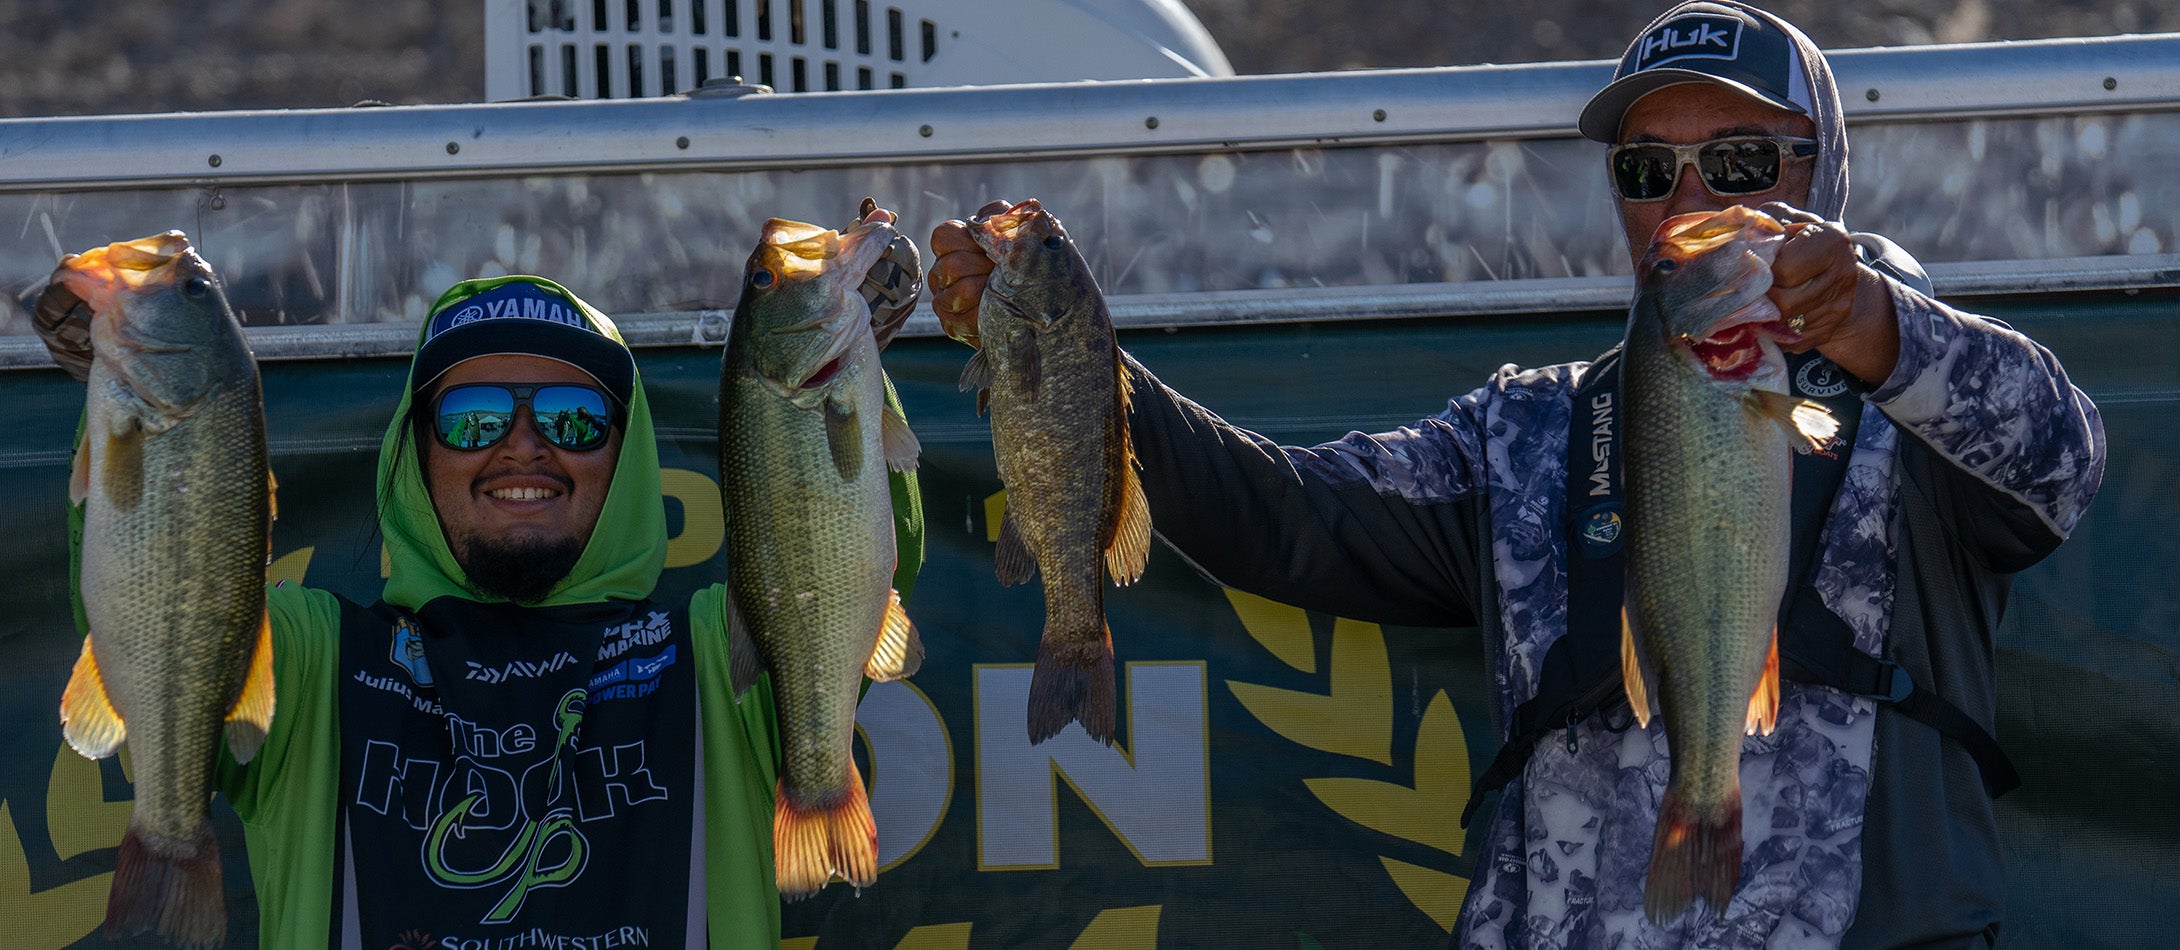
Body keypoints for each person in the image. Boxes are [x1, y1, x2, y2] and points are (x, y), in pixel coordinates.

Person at [928, 3, 2104, 946]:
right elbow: (1279, 517)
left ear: (1821, 178)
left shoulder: (1930, 400)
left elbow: (2062, 458)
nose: (1688, 198)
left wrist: (1878, 329)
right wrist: (1063, 354)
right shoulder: (1529, 427)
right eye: (1646, 171)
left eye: (1737, 159)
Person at [42, 214, 926, 948]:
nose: (523, 445)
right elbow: (165, 584)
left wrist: (864, 380)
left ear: (626, 456)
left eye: (575, 418)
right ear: (414, 450)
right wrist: (133, 406)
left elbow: (846, 551)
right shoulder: (309, 663)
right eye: (471, 418)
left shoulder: (718, 656)